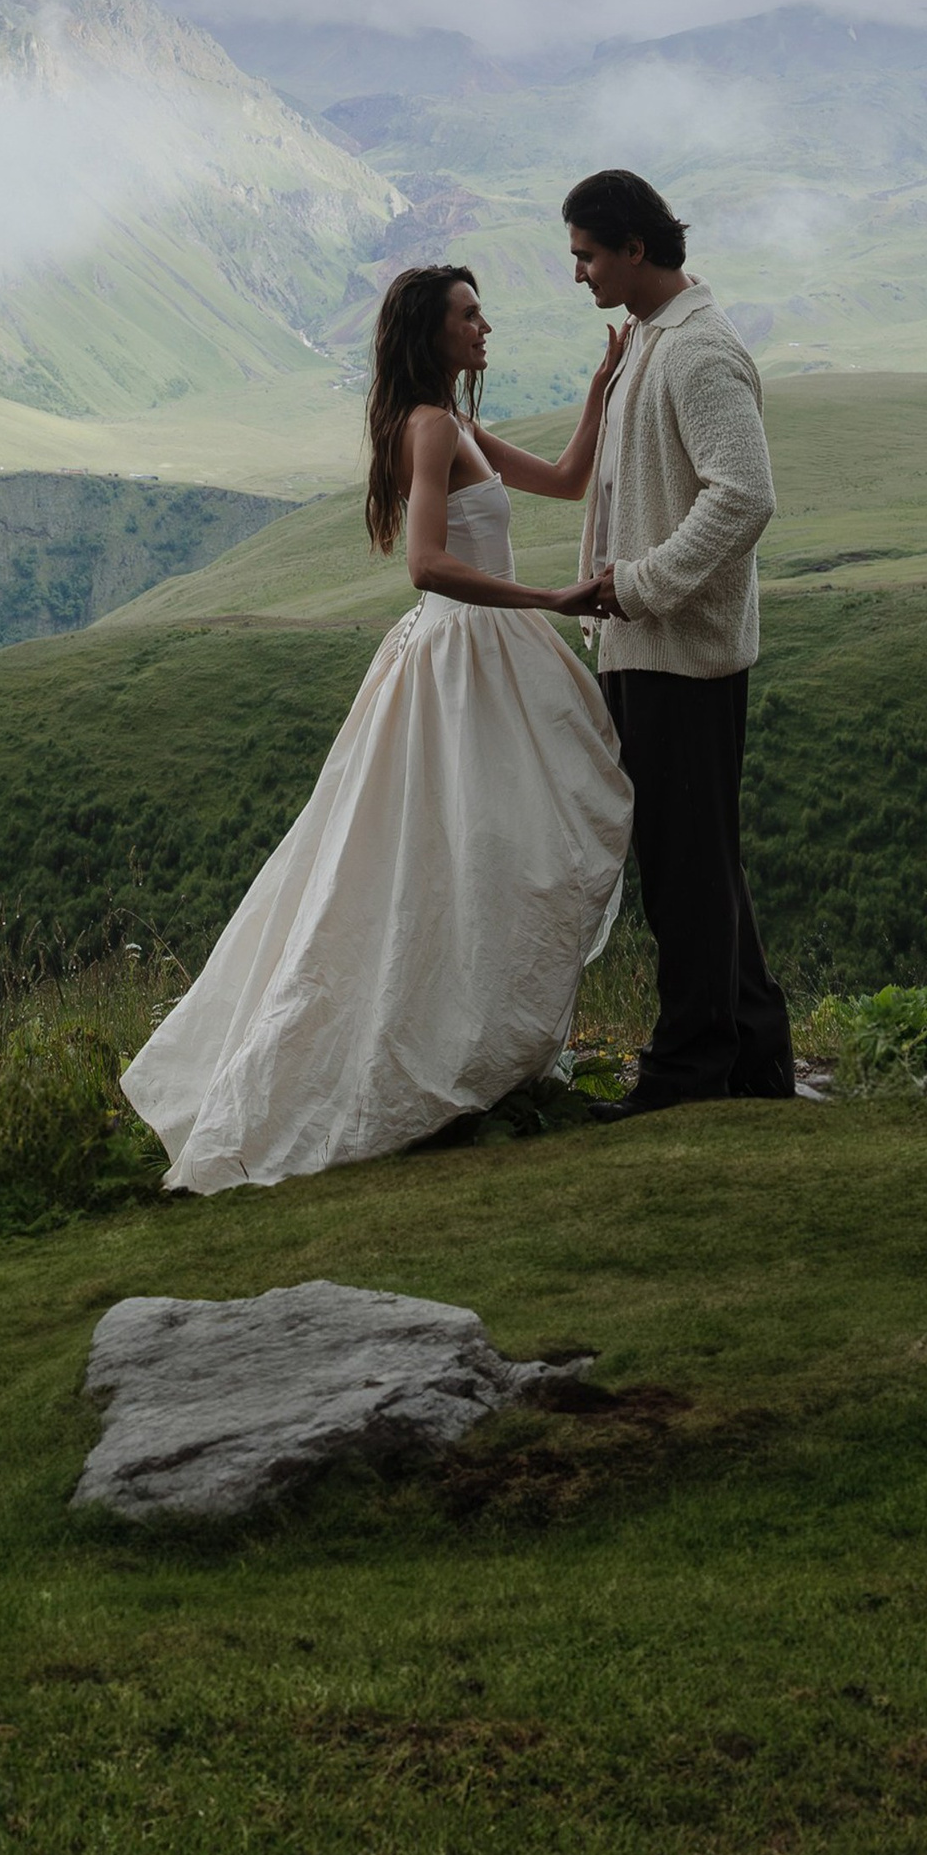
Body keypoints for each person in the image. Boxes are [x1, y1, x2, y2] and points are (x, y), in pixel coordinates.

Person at [120, 265, 636, 1193]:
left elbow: (567, 479)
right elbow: (427, 564)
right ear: (429, 335)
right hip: (463, 661)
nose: (485, 326)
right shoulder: (432, 429)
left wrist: (600, 391)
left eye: (481, 311)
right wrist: (550, 596)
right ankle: (439, 1058)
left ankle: (472, 1049)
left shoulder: (455, 423)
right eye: (468, 315)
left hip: (480, 655)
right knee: (462, 856)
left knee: (471, 856)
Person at [563, 168, 792, 1115]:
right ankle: (753, 1061)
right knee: (703, 866)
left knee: (686, 875)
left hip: (677, 651)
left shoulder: (698, 353)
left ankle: (688, 1073)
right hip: (654, 647)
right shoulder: (652, 345)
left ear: (634, 249)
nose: (577, 274)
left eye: (586, 255)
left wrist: (644, 585)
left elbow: (743, 495)